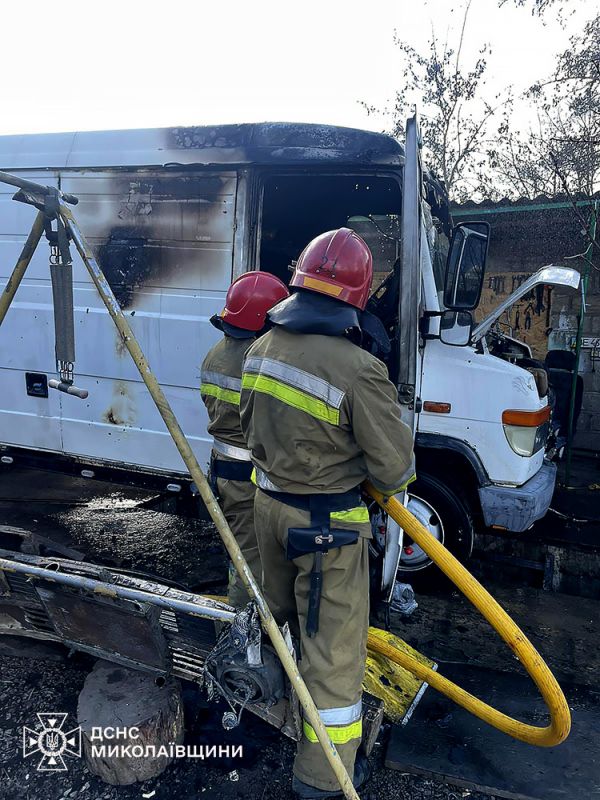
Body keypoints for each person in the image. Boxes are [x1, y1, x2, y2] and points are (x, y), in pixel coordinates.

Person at [239, 228, 415, 798]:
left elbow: (248, 430)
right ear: (358, 298)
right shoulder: (358, 369)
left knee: (275, 622)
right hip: (327, 531)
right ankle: (321, 779)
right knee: (334, 656)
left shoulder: (261, 348)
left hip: (268, 510)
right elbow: (393, 471)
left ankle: (258, 713)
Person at [200, 271, 289, 608]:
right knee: (250, 561)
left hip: (224, 470)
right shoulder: (258, 362)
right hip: (247, 475)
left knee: (239, 550)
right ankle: (241, 636)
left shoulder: (215, 353)